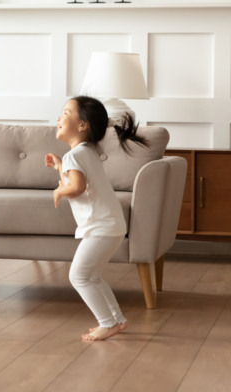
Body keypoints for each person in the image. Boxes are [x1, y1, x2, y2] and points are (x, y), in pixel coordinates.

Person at [45, 96, 148, 340]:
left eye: (66, 113)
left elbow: (77, 187)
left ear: (82, 125)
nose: (59, 117)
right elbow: (80, 180)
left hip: (99, 228)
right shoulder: (86, 151)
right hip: (111, 226)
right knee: (92, 276)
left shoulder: (76, 155)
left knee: (78, 276)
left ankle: (107, 323)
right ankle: (116, 320)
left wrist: (59, 189)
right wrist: (60, 167)